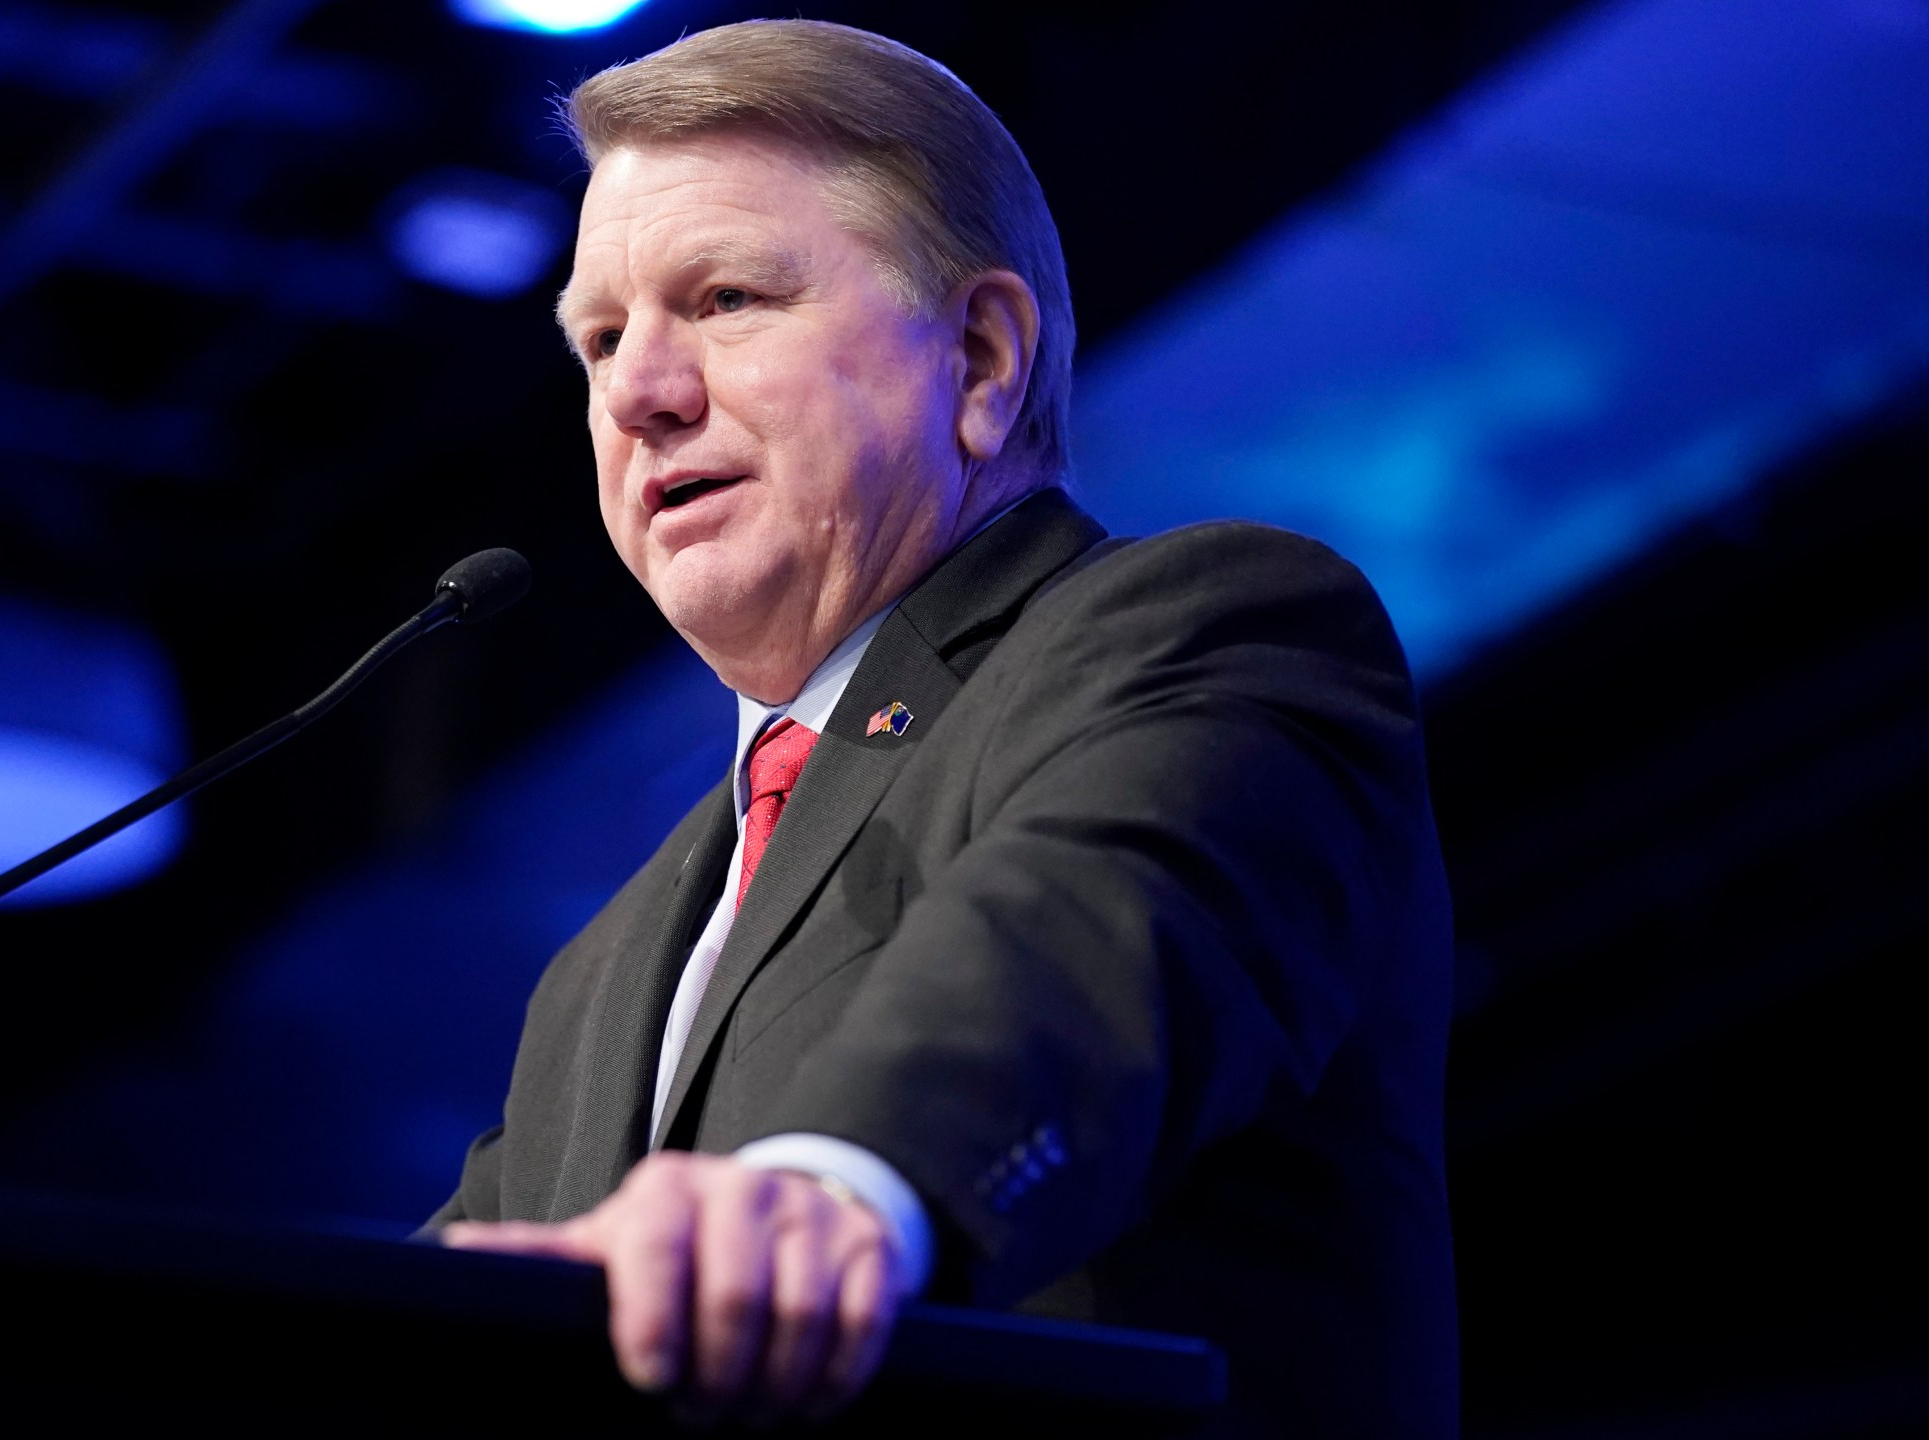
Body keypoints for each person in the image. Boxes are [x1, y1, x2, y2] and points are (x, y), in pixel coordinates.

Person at [434, 20, 1457, 1435]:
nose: (637, 394)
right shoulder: (597, 981)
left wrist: (840, 1186)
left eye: (725, 299)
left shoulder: (1214, 631)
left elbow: (1087, 940)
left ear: (979, 358)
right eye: (601, 337)